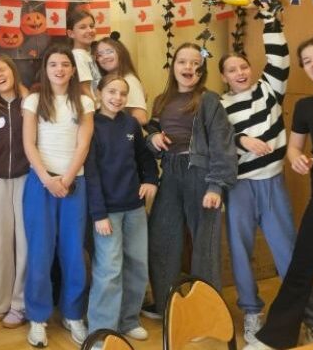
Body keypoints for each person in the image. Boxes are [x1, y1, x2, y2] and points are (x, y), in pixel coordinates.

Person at [221, 10, 313, 346]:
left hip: (273, 182)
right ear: (224, 77)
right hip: (239, 187)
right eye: (232, 69)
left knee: (291, 253)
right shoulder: (219, 105)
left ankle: (312, 317)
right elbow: (216, 140)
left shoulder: (269, 89)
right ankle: (252, 312)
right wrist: (241, 140)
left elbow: (279, 56)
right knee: (240, 251)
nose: (239, 72)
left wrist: (269, 19)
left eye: (243, 66)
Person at [142, 42, 237, 319]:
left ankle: (208, 312)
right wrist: (152, 137)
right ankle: (166, 305)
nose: (189, 67)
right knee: (161, 238)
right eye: (183, 61)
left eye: (196, 63)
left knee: (205, 246)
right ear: (174, 66)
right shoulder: (162, 100)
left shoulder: (209, 100)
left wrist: (216, 185)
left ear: (202, 70)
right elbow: (151, 132)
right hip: (170, 174)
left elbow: (222, 144)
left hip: (201, 174)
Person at [247, 36, 313, 350]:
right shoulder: (306, 106)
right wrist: (297, 159)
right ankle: (276, 336)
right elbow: (293, 148)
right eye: (307, 61)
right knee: (302, 265)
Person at [22, 43, 94, 347]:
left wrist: (66, 178)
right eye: (53, 64)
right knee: (40, 252)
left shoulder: (85, 101)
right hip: (41, 183)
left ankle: (73, 314)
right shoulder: (34, 100)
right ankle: (37, 318)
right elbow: (29, 143)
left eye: (65, 64)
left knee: (73, 252)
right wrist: (48, 179)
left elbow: (83, 144)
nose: (59, 69)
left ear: (73, 70)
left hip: (74, 183)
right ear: (45, 69)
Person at [84, 75, 157, 340]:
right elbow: (91, 173)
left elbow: (144, 157)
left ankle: (128, 320)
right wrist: (99, 214)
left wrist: (151, 179)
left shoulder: (131, 124)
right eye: (111, 92)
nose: (117, 98)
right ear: (99, 93)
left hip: (134, 208)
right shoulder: (91, 124)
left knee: (137, 264)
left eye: (122, 93)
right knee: (109, 269)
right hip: (107, 213)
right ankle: (101, 331)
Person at [0, 54, 29, 328]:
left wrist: (25, 94)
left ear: (13, 71)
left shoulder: (30, 101)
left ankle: (19, 303)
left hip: (26, 177)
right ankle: (0, 302)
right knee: (1, 242)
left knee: (24, 242)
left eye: (3, 70)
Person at [93, 35, 149, 126]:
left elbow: (141, 118)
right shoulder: (105, 81)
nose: (105, 57)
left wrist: (114, 129)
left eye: (109, 51)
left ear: (120, 52)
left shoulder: (129, 80)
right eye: (100, 55)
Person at [67, 8, 100, 100]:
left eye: (92, 26)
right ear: (71, 33)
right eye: (82, 27)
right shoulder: (78, 56)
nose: (89, 30)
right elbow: (84, 89)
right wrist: (95, 106)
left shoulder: (87, 54)